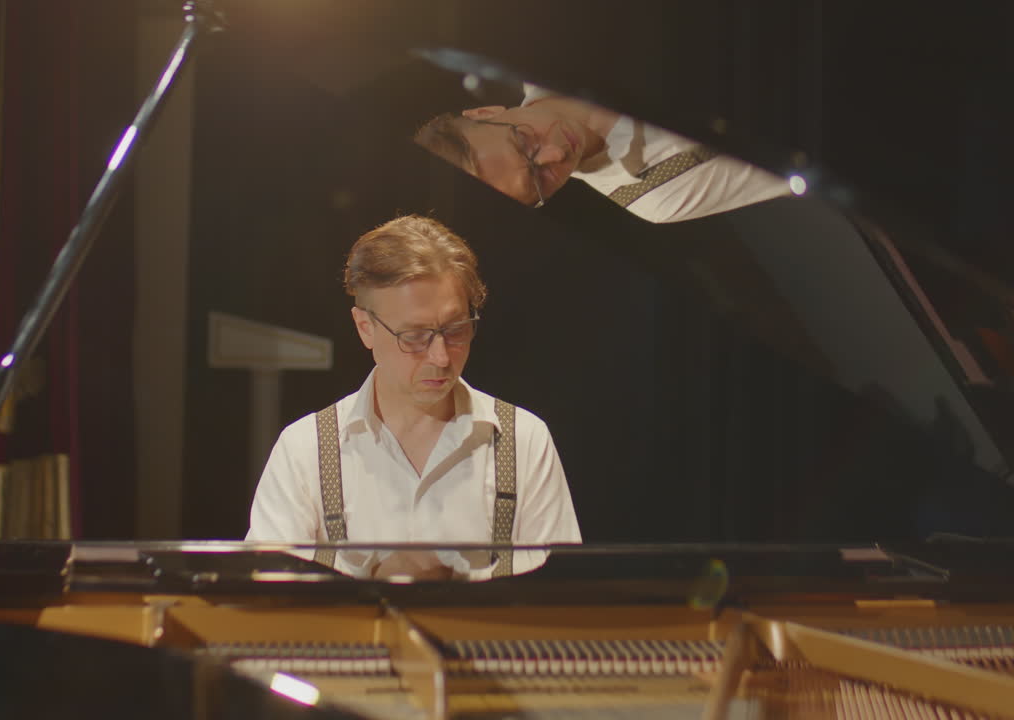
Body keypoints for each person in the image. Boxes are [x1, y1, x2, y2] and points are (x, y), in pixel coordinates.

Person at [245, 214, 581, 579]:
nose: (441, 357)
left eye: (456, 329)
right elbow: (267, 599)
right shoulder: (305, 449)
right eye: (415, 336)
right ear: (365, 328)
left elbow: (561, 597)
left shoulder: (523, 440)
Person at [415, 85, 792, 223]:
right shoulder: (654, 196)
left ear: (484, 112)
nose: (556, 154)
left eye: (524, 142)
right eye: (539, 180)